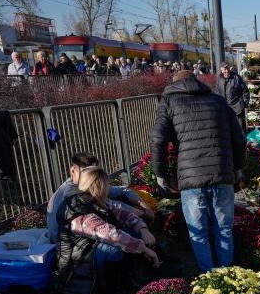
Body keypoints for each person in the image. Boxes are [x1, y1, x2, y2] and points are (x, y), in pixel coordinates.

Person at [150, 70, 246, 273]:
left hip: (191, 176)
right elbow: (239, 138)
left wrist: (160, 175)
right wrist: (238, 169)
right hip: (222, 172)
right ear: (196, 81)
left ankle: (208, 276)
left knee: (198, 232)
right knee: (224, 229)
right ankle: (227, 274)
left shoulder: (168, 102)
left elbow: (158, 139)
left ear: (174, 84)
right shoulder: (218, 101)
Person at [55, 165, 159, 294]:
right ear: (98, 186)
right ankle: (113, 293)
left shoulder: (94, 200)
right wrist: (144, 249)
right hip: (77, 262)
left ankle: (129, 279)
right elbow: (112, 235)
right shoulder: (78, 210)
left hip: (90, 250)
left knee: (131, 233)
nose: (109, 186)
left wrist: (143, 230)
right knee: (113, 248)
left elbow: (124, 215)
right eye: (107, 183)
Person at [47, 152, 153, 243]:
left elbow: (123, 190)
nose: (93, 176)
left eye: (95, 172)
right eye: (87, 172)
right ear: (73, 171)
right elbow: (112, 206)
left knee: (122, 202)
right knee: (129, 233)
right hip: (67, 243)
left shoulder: (88, 184)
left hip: (78, 238)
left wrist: (143, 205)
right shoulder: (72, 193)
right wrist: (143, 214)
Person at [214, 62, 249, 132]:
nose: (226, 71)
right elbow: (217, 92)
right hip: (225, 108)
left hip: (237, 108)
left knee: (240, 129)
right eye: (224, 69)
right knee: (227, 129)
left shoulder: (236, 77)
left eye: (227, 68)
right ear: (221, 70)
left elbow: (245, 90)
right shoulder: (219, 79)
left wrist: (244, 102)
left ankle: (242, 142)